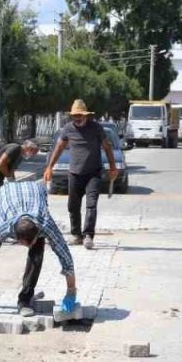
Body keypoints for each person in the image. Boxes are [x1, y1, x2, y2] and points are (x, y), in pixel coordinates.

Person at [0, 180, 79, 318]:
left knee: (37, 253)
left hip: (36, 192)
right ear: (15, 238)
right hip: (5, 194)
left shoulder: (45, 224)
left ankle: (24, 300)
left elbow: (65, 256)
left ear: (37, 233)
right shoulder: (2, 226)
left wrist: (71, 292)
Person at [43, 99, 119, 250]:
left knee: (91, 205)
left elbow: (107, 147)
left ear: (86, 115)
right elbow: (59, 147)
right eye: (74, 116)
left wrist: (112, 167)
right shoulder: (68, 129)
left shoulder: (96, 128)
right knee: (73, 206)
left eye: (80, 115)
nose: (77, 118)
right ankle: (77, 235)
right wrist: (49, 167)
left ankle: (88, 235)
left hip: (94, 173)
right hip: (75, 174)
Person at [0, 138, 40, 241]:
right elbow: (1, 164)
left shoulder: (19, 157)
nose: (34, 155)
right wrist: (8, 176)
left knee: (1, 208)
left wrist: (13, 184)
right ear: (29, 148)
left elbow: (11, 170)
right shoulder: (14, 148)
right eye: (34, 152)